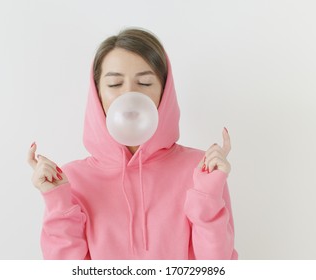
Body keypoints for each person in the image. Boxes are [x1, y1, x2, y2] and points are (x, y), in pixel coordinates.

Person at [27, 28, 238, 260]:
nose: (129, 95)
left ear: (164, 92)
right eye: (115, 84)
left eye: (145, 83)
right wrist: (58, 202)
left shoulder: (201, 170)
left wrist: (207, 196)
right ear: (97, 93)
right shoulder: (71, 179)